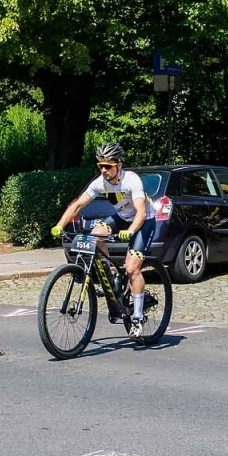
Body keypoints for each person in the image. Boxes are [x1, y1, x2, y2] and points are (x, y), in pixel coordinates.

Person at [51, 142, 153, 336]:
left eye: (108, 166)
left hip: (143, 221)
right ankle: (112, 273)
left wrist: (130, 231)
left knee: (132, 268)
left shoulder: (131, 180)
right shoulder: (100, 182)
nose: (104, 170)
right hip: (121, 217)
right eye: (100, 166)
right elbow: (78, 205)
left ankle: (138, 317)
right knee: (94, 237)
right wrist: (59, 225)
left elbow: (140, 212)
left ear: (119, 165)